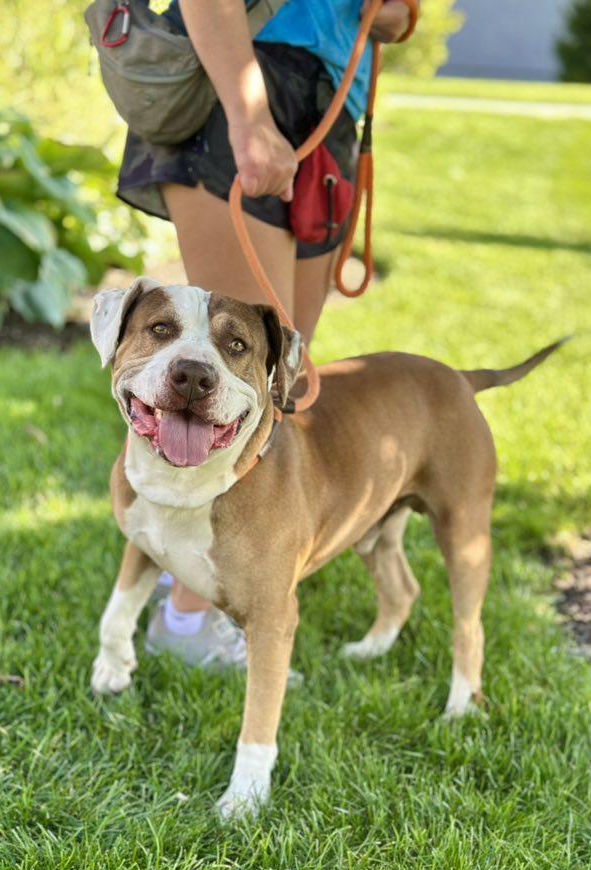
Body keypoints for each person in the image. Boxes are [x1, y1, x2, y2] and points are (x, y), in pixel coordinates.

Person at [115, 0, 417, 669]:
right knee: (214, 379)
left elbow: (390, 20)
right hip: (244, 78)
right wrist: (248, 117)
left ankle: (207, 578)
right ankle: (187, 619)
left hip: (331, 103)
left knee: (269, 393)